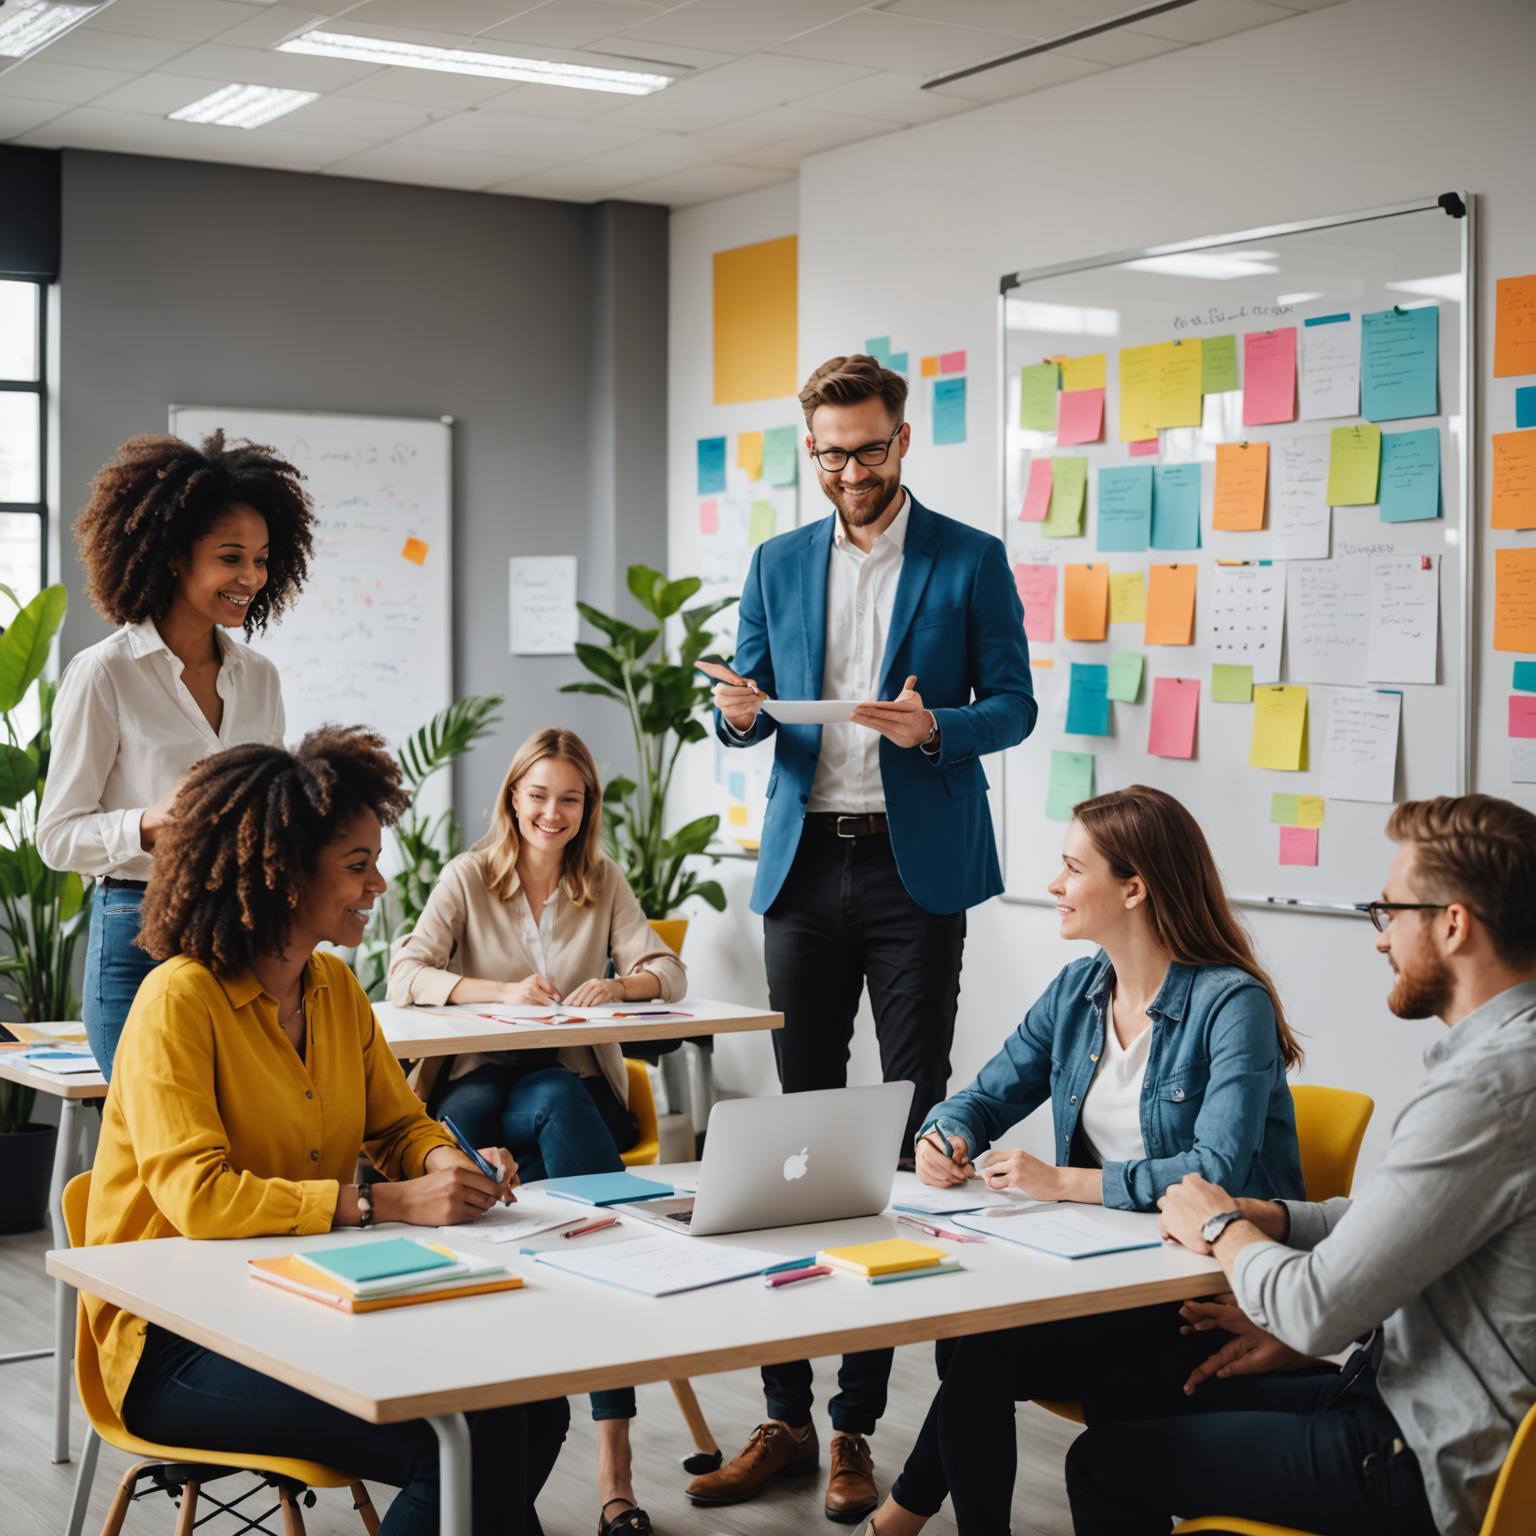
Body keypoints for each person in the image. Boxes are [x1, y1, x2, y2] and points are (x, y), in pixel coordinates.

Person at [693, 354, 1037, 1522]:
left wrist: (939, 726)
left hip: (912, 865)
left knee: (898, 1131)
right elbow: (743, 705)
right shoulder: (778, 560)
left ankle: (856, 1426)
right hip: (805, 862)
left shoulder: (969, 558)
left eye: (869, 448)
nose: (849, 470)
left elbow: (1017, 704)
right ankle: (784, 1413)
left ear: (903, 440)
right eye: (829, 452)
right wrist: (737, 714)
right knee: (792, 1138)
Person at [85, 726, 568, 1536]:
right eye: (356, 864)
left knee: (534, 1403)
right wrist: (388, 1206)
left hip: (304, 1299)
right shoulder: (179, 1001)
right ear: (280, 873)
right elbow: (200, 1201)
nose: (378, 882)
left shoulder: (334, 990)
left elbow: (400, 1125)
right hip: (174, 1343)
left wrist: (450, 1163)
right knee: (461, 1439)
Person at [1068, 793, 1536, 1536]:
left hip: (1427, 1454)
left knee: (1099, 1462)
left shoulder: (1485, 1090)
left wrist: (1222, 1224)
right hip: (1408, 1394)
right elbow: (1402, 1218)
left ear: (1453, 924)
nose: (1380, 940)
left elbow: (1317, 1310)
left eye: (1389, 914)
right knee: (1139, 1386)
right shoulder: (1509, 1062)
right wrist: (1278, 1218)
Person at [857, 784, 1304, 1535]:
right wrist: (946, 1135)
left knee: (981, 1349)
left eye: (1072, 868)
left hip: (1200, 1295)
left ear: (1134, 889)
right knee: (974, 1341)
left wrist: (1064, 1183)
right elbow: (985, 1094)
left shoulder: (1232, 1003)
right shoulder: (1078, 990)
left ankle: (900, 1518)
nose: (1054, 885)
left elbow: (1215, 1171)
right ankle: (904, 1519)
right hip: (1108, 1274)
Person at [388, 726, 685, 1536]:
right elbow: (404, 971)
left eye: (571, 798)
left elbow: (670, 972)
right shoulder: (468, 876)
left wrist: (618, 988)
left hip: (570, 1091)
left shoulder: (604, 880)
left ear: (587, 809)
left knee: (554, 1090)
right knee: (474, 1119)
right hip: (476, 1087)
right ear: (513, 796)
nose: (553, 812)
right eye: (539, 794)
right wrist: (494, 991)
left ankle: (611, 1461)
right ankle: (476, 1420)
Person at [39, 430, 316, 1077]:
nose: (250, 577)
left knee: (235, 1140)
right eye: (230, 558)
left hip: (241, 934)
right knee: (151, 1148)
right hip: (135, 930)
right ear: (171, 556)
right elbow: (55, 836)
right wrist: (146, 824)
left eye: (262, 559)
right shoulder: (104, 674)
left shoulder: (260, 679)